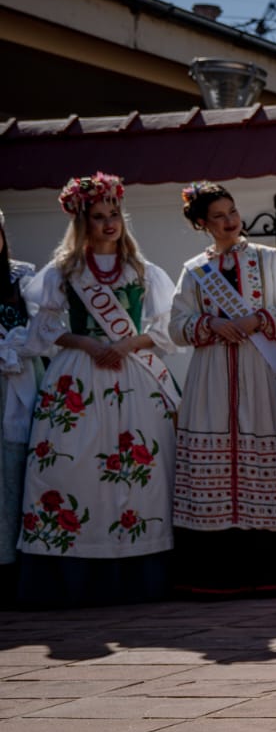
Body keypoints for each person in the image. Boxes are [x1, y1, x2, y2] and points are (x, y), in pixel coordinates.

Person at [16, 173, 177, 606]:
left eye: (115, 215)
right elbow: (44, 328)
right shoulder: (64, 272)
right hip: (78, 374)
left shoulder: (143, 271)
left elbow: (165, 329)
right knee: (72, 467)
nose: (110, 224)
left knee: (139, 470)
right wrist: (87, 343)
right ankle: (72, 569)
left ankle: (141, 568)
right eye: (99, 216)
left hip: (134, 375)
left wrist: (127, 344)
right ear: (82, 222)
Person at [170, 182, 276, 593]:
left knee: (268, 454)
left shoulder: (268, 258)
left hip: (261, 372)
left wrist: (258, 319)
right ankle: (215, 572)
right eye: (218, 216)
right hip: (211, 379)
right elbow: (176, 326)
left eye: (232, 211)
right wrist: (210, 324)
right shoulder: (194, 270)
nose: (230, 221)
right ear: (202, 224)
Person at [0, 209, 42, 596]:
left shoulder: (23, 277)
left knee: (26, 466)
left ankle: (24, 565)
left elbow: (44, 327)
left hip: (25, 378)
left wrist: (17, 347)